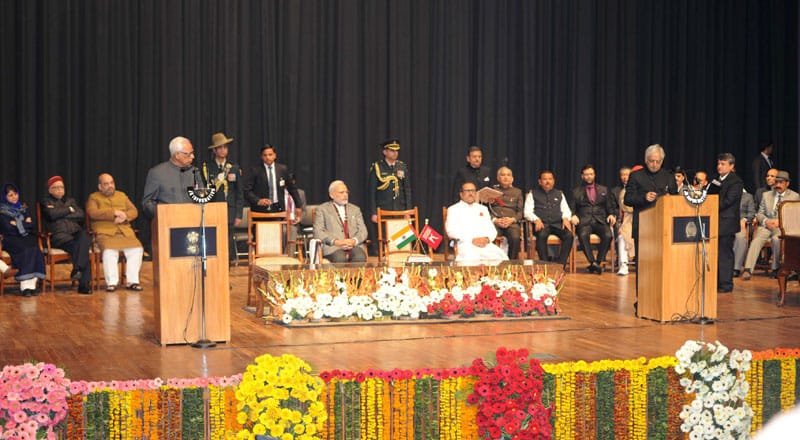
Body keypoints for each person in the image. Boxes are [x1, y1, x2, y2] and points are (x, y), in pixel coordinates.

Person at [624, 144, 676, 313]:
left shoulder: (668, 176)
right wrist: (644, 197)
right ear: (646, 160)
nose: (654, 164)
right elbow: (628, 199)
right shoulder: (636, 176)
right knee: (644, 267)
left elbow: (675, 198)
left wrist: (669, 198)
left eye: (658, 161)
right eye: (652, 161)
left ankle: (664, 300)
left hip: (664, 228)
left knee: (663, 265)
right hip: (643, 228)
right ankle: (643, 300)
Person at [86, 173, 144, 292]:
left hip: (124, 231)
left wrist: (125, 216)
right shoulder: (94, 197)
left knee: (136, 249)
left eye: (112, 183)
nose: (110, 186)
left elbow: (134, 211)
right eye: (106, 184)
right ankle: (112, 283)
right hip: (105, 232)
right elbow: (92, 213)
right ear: (100, 186)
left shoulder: (122, 195)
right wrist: (113, 213)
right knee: (110, 251)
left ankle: (132, 281)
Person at [741, 170, 799, 280]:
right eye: (776, 182)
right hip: (766, 226)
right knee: (756, 240)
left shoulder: (794, 196)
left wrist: (780, 221)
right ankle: (748, 269)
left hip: (781, 227)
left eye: (781, 182)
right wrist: (766, 221)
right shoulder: (766, 195)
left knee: (776, 239)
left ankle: (776, 268)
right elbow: (760, 213)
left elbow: (795, 215)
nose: (778, 185)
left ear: (787, 183)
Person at [40, 176, 93, 294]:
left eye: (61, 187)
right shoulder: (46, 202)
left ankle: (77, 269)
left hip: (75, 233)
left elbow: (81, 215)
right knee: (82, 249)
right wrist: (69, 210)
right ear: (50, 190)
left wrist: (61, 213)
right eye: (56, 188)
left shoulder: (71, 200)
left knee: (84, 236)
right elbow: (52, 215)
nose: (59, 190)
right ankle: (84, 285)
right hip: (60, 237)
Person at [202, 132, 245, 262]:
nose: (223, 150)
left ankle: (228, 263)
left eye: (225, 147)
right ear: (214, 150)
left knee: (228, 238)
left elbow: (239, 193)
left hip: (230, 209)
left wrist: (239, 214)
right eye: (219, 148)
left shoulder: (234, 168)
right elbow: (205, 189)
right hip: (213, 208)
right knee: (214, 237)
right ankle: (215, 263)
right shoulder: (207, 167)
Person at [706, 153, 743, 293]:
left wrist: (711, 205)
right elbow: (709, 195)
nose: (719, 166)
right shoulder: (716, 179)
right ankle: (715, 282)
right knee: (715, 253)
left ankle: (726, 284)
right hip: (714, 221)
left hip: (727, 223)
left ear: (731, 166)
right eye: (718, 163)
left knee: (724, 254)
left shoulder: (736, 181)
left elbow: (728, 201)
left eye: (723, 164)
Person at [570, 164, 616, 274]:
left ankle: (597, 263)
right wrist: (573, 215)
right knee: (583, 235)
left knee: (608, 235)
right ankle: (592, 261)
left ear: (594, 175)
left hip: (600, 220)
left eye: (591, 174)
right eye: (586, 174)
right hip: (584, 222)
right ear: (582, 176)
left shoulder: (604, 189)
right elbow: (572, 209)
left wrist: (611, 214)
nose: (589, 176)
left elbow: (610, 207)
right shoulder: (576, 191)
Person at [446, 182, 509, 262]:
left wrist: (487, 239)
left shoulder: (483, 209)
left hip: (485, 245)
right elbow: (451, 231)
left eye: (473, 191)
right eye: (467, 191)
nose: (471, 193)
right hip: (466, 244)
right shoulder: (453, 209)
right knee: (471, 260)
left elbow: (492, 230)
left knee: (501, 258)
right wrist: (471, 240)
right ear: (461, 194)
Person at [0, 183, 45, 296]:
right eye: (10, 195)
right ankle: (25, 287)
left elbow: (32, 225)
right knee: (25, 250)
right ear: (5, 197)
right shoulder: (2, 211)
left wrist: (17, 224)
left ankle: (32, 286)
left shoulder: (23, 208)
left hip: (25, 236)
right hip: (10, 239)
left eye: (15, 194)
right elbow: (8, 228)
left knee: (35, 249)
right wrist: (24, 223)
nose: (14, 197)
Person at [523, 170, 574, 266]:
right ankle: (545, 264)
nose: (547, 181)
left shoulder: (559, 193)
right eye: (545, 179)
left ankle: (561, 264)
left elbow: (566, 209)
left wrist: (565, 218)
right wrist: (536, 219)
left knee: (569, 236)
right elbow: (527, 212)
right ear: (540, 181)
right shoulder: (532, 194)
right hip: (542, 225)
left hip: (558, 224)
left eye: (550, 179)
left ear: (553, 181)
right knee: (541, 236)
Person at [142, 136, 197, 218]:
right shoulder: (157, 173)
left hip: (192, 220)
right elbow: (147, 203)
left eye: (192, 153)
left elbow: (201, 197)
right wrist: (163, 214)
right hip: (167, 221)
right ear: (177, 155)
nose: (192, 156)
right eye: (188, 154)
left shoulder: (195, 172)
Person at [242, 144, 303, 219]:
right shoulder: (255, 170)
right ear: (261, 157)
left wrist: (298, 206)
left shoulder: (282, 169)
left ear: (275, 156)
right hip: (260, 210)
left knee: (279, 226)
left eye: (270, 155)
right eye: (265, 155)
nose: (267, 157)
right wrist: (258, 200)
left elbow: (292, 188)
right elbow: (246, 190)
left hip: (278, 209)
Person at [313, 180, 368, 263]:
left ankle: (356, 273)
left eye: (346, 192)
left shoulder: (355, 209)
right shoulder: (322, 209)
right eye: (341, 192)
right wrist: (336, 242)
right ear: (331, 195)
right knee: (339, 258)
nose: (345, 195)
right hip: (333, 246)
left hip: (353, 245)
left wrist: (354, 241)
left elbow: (363, 231)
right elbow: (318, 231)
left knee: (359, 257)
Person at [368, 138, 412, 223]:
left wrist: (408, 210)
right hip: (383, 209)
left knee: (401, 232)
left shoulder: (402, 166)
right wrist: (373, 212)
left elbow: (407, 190)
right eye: (392, 150)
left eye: (397, 150)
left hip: (400, 209)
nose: (395, 153)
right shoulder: (378, 167)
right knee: (385, 231)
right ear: (385, 152)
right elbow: (372, 192)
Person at [489, 167, 523, 259]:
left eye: (508, 175)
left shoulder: (518, 192)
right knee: (489, 236)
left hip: (511, 223)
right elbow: (485, 210)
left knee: (515, 238)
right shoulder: (491, 191)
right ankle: (493, 262)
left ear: (512, 178)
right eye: (503, 175)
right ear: (498, 178)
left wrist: (512, 220)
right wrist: (495, 220)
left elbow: (520, 212)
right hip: (495, 222)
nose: (506, 177)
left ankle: (511, 263)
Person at [733, 188, 756, 277]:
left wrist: (744, 220)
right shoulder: (723, 193)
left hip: (740, 224)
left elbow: (752, 213)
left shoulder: (748, 197)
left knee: (741, 237)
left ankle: (736, 268)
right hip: (723, 223)